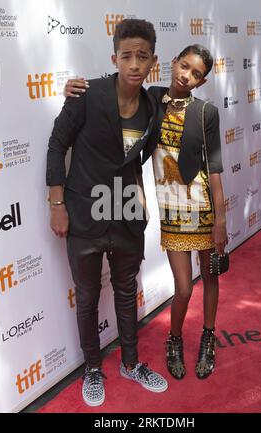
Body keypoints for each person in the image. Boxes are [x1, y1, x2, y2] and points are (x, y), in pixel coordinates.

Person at [65, 44, 228, 381]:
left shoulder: (205, 113)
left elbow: (214, 171)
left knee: (210, 278)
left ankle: (208, 336)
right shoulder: (151, 99)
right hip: (172, 211)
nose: (187, 75)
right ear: (172, 62)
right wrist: (75, 89)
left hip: (203, 209)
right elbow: (116, 89)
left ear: (202, 81)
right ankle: (175, 340)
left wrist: (221, 221)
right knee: (183, 288)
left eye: (196, 74)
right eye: (184, 66)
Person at [46, 18, 168, 408]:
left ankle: (131, 364)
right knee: (87, 296)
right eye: (127, 56)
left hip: (127, 211)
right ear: (115, 57)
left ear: (153, 62)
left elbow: (138, 160)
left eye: (143, 57)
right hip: (84, 212)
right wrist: (57, 203)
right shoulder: (86, 94)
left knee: (126, 289)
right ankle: (93, 369)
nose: (135, 64)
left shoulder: (155, 105)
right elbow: (56, 146)